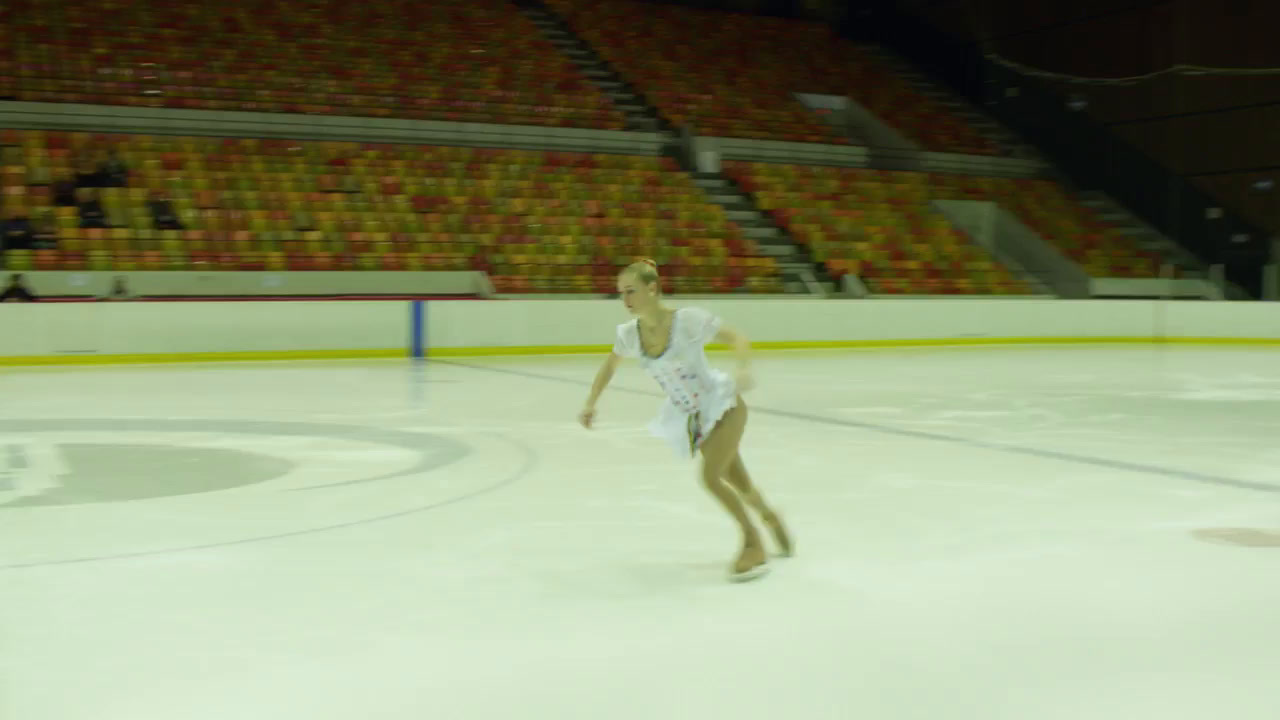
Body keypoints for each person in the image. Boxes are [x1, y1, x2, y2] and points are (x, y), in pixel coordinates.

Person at [579, 259, 791, 582]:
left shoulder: (688, 320)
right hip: (694, 418)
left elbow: (736, 337)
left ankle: (753, 543)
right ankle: (769, 516)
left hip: (724, 405)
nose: (625, 300)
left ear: (653, 289)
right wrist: (591, 402)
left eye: (631, 291)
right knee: (739, 482)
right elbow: (609, 367)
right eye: (621, 293)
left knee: (710, 477)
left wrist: (744, 367)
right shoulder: (629, 335)